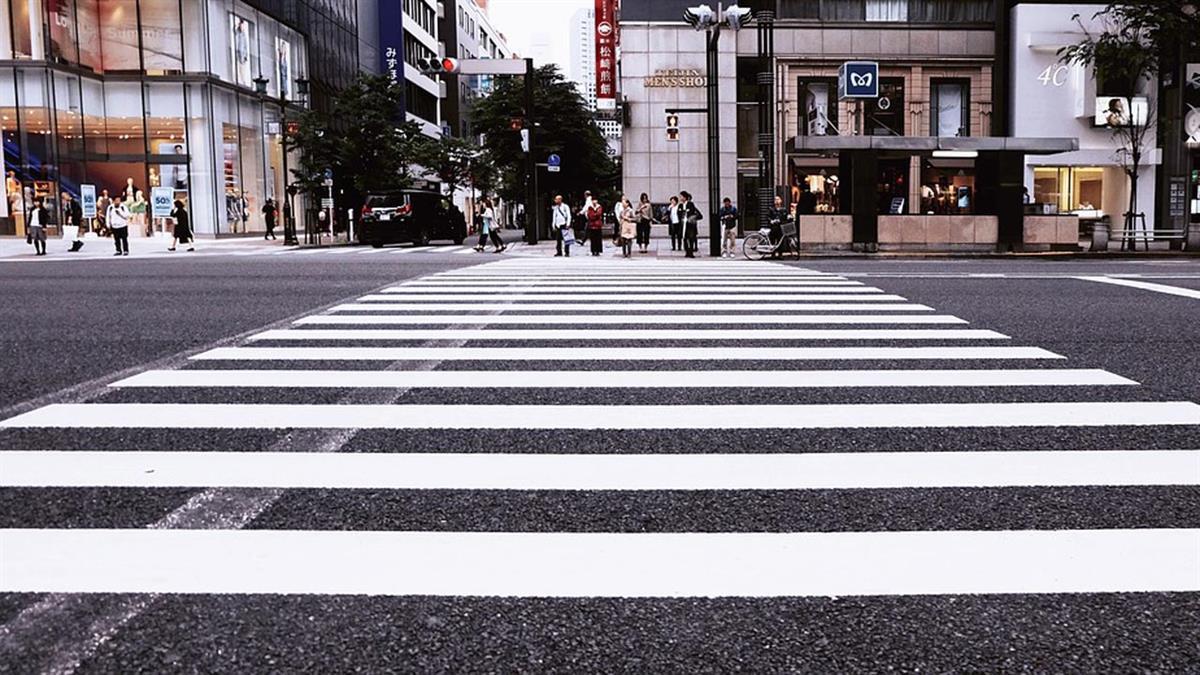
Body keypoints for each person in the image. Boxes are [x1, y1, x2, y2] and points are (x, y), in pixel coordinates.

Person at [680, 190, 702, 258]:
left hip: (690, 224)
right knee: (684, 238)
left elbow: (692, 212)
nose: (680, 198)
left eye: (681, 196)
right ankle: (687, 251)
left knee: (690, 238)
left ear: (685, 197)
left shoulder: (690, 204)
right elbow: (679, 213)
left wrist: (689, 217)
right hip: (683, 223)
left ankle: (691, 252)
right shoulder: (680, 205)